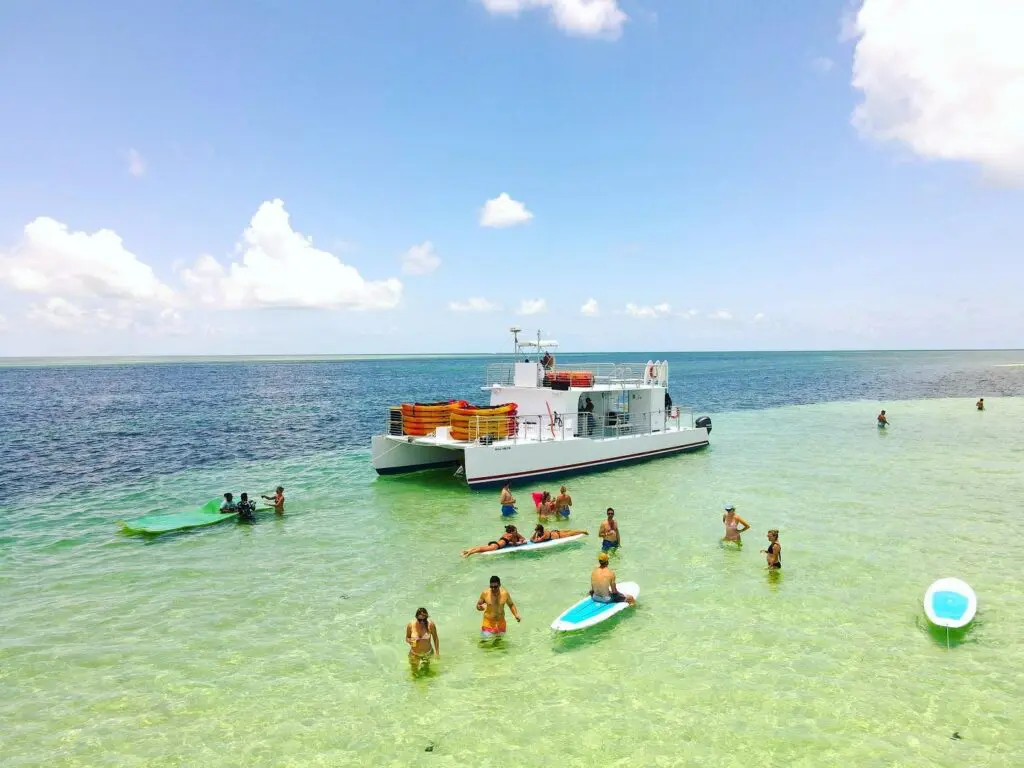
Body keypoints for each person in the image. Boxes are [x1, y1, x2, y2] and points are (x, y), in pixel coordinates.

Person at [405, 607, 439, 672]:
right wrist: (410, 641)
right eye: (420, 620)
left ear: (427, 617)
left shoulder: (431, 624)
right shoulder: (411, 625)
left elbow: (436, 638)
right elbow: (407, 638)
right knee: (414, 673)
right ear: (416, 617)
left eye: (424, 619)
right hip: (414, 654)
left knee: (426, 671)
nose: (422, 622)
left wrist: (437, 653)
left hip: (427, 654)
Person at [461, 525, 527, 557]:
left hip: (495, 543)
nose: (516, 531)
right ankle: (469, 554)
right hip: (496, 546)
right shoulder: (511, 535)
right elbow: (515, 544)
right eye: (515, 530)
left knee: (481, 547)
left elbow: (507, 542)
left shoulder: (506, 534)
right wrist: (520, 543)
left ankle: (466, 551)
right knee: (481, 549)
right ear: (512, 531)